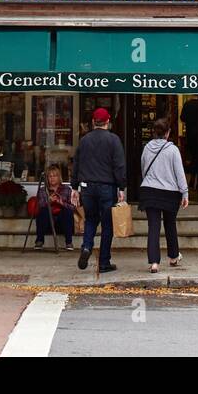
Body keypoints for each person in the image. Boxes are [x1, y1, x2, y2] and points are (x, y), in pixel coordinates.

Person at [71, 107, 126, 273]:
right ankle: (104, 262)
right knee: (107, 225)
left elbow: (77, 165)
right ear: (108, 122)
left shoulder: (84, 140)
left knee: (91, 220)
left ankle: (87, 246)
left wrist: (74, 187)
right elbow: (119, 166)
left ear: (93, 122)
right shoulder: (114, 140)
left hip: (87, 188)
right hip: (107, 188)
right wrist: (121, 187)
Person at [141, 118, 188, 273]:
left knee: (153, 226)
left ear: (155, 132)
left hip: (149, 190)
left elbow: (143, 168)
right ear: (167, 133)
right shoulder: (173, 150)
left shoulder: (147, 148)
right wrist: (184, 192)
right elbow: (179, 173)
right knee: (170, 224)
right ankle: (173, 256)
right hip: (169, 192)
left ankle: (154, 262)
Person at [33, 164, 75, 250]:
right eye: (50, 176)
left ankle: (69, 242)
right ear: (47, 178)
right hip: (47, 223)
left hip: (62, 223)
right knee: (43, 210)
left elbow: (73, 207)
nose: (52, 178)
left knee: (67, 211)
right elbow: (39, 205)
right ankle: (39, 241)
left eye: (55, 176)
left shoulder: (67, 189)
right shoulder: (43, 190)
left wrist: (61, 202)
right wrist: (49, 201)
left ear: (59, 177)